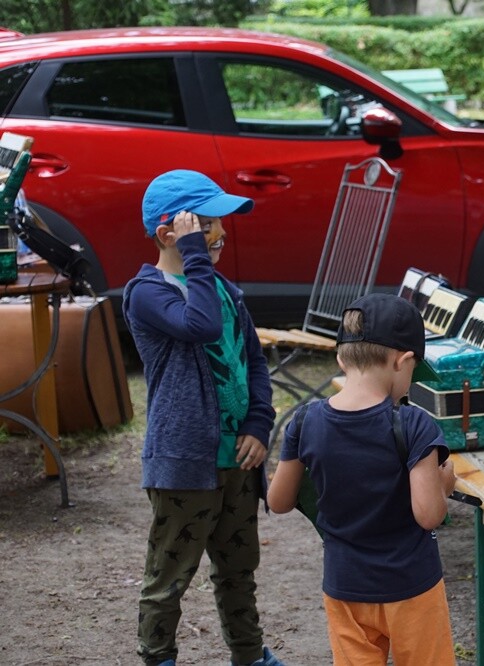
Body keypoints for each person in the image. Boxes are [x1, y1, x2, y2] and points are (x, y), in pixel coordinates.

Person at [122, 170, 284, 666]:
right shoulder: (146, 293)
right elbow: (200, 325)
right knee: (168, 578)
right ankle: (158, 658)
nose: (220, 235)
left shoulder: (226, 291)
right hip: (185, 463)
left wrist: (259, 424)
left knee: (238, 568)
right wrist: (196, 257)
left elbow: (252, 360)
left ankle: (250, 655)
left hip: (237, 458)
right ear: (170, 233)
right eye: (208, 224)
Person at [267, 293, 458, 665]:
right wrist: (444, 485)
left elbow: (278, 501)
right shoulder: (414, 424)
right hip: (411, 587)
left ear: (341, 358)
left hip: (345, 587)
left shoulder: (305, 422)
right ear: (402, 361)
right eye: (413, 371)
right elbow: (428, 515)